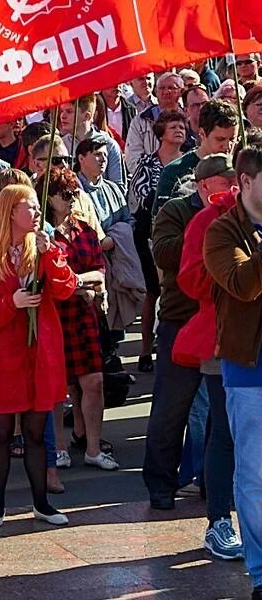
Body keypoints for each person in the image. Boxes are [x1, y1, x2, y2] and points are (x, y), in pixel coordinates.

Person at [0, 183, 75, 529]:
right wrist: (10, 303)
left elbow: (65, 288)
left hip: (39, 354)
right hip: (2, 355)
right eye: (29, 206)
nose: (37, 212)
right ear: (10, 211)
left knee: (36, 432)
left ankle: (41, 502)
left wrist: (52, 255)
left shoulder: (43, 250)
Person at [145, 152, 238, 510]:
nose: (233, 187)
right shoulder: (175, 211)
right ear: (204, 185)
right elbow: (164, 254)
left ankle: (211, 485)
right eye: (226, 182)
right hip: (180, 319)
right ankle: (161, 484)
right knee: (171, 409)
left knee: (220, 412)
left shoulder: (236, 214)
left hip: (220, 324)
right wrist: (204, 230)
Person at [175, 154, 246, 562]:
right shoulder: (210, 222)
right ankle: (219, 520)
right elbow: (190, 279)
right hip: (222, 341)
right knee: (225, 430)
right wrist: (233, 273)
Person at [202, 146, 262, 600]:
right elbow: (242, 285)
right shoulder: (222, 232)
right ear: (246, 181)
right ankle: (261, 572)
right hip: (250, 369)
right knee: (256, 475)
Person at [39, 167, 115, 471]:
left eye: (74, 193)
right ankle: (58, 446)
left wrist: (77, 283)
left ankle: (93, 447)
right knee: (58, 386)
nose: (72, 199)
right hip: (55, 316)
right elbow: (45, 279)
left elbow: (100, 271)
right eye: (64, 194)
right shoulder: (42, 235)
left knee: (94, 382)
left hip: (84, 316)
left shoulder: (84, 229)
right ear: (49, 197)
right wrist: (80, 285)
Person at [128, 109, 189, 372]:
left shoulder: (190, 162)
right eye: (173, 126)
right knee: (153, 291)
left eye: (182, 126)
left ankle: (178, 347)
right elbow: (138, 196)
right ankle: (145, 350)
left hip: (184, 233)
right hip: (149, 232)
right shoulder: (148, 163)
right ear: (161, 132)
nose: (179, 130)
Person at [153, 99, 239, 214]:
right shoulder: (174, 171)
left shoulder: (242, 169)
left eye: (233, 139)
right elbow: (160, 222)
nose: (228, 146)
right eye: (220, 139)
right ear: (202, 134)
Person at [125, 71, 188, 172]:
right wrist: (154, 176)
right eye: (162, 88)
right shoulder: (140, 121)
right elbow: (132, 158)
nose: (167, 91)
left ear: (181, 92)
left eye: (172, 88)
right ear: (156, 91)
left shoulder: (187, 118)